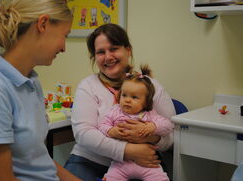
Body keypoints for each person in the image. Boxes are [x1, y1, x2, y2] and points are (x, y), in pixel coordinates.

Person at [0, 0, 81, 181]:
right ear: (43, 24)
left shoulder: (31, 81)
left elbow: (38, 159)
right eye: (65, 35)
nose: (64, 47)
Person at [64, 23, 176, 181]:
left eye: (114, 48)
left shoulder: (151, 86)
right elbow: (83, 134)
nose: (108, 57)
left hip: (142, 161)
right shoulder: (87, 86)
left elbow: (172, 134)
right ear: (94, 57)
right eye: (101, 52)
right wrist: (128, 150)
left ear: (128, 50)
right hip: (90, 161)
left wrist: (149, 138)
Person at [98, 65, 173, 181]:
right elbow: (102, 125)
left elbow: (168, 125)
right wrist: (111, 131)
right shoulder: (115, 110)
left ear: (146, 102)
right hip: (120, 163)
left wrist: (153, 127)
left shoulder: (149, 114)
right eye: (124, 95)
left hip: (148, 163)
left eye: (134, 97)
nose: (127, 100)